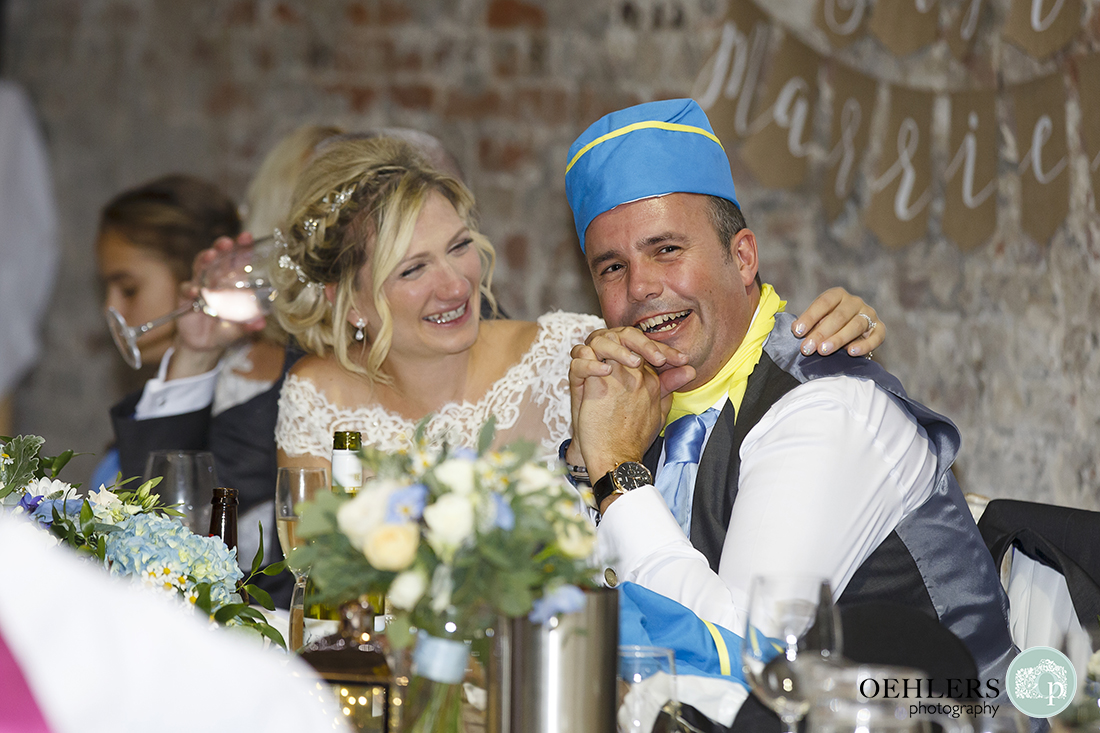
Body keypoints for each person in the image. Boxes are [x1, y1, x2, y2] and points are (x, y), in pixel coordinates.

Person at [563, 99, 1014, 727]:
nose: (640, 287)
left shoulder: (824, 406)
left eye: (666, 249)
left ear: (743, 257)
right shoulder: (640, 400)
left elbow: (743, 669)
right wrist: (590, 459)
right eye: (612, 267)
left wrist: (616, 475)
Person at [273, 134, 885, 475]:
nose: (454, 286)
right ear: (346, 301)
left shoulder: (568, 353)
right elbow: (322, 585)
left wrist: (815, 328)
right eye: (411, 269)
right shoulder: (317, 397)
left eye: (458, 247)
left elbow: (708, 362)